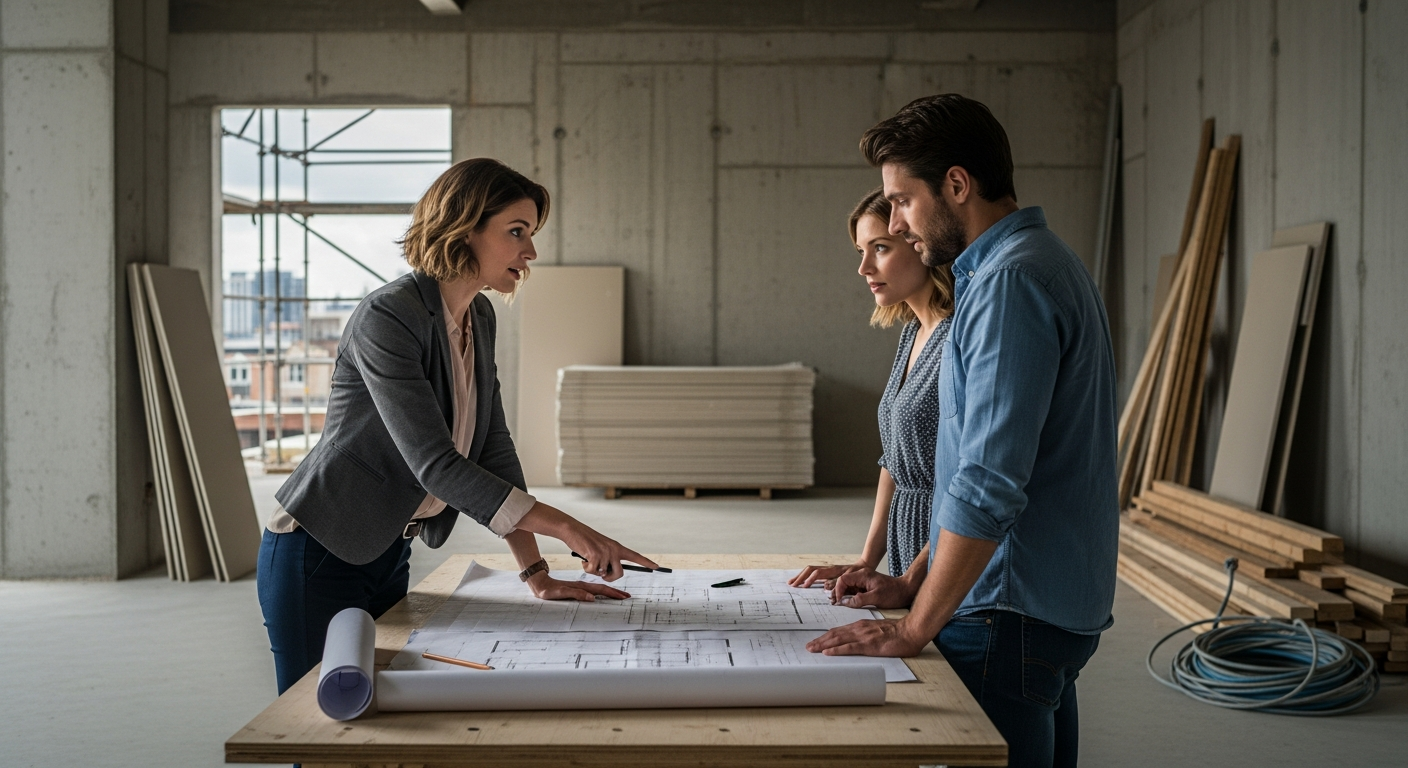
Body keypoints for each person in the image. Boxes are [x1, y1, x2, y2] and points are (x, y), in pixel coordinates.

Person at [257, 158, 658, 696]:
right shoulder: (388, 316)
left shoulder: (479, 316)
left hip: (389, 548)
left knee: (377, 714)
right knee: (316, 721)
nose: (531, 252)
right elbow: (436, 464)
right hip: (318, 546)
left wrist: (535, 573)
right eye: (516, 232)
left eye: (531, 234)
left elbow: (492, 447)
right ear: (462, 229)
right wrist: (568, 527)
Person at [806, 95, 1119, 768]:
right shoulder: (1040, 261)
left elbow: (989, 483)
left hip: (1008, 612)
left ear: (956, 184)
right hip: (1042, 606)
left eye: (902, 202)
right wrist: (911, 577)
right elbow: (970, 475)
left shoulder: (1010, 282)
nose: (896, 222)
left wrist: (915, 628)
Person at [789, 189, 953, 587]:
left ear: (920, 244)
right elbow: (893, 462)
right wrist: (866, 561)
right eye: (861, 251)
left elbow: (969, 482)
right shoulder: (913, 333)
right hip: (907, 547)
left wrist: (917, 580)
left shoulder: (957, 338)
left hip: (945, 554)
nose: (864, 267)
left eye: (880, 248)